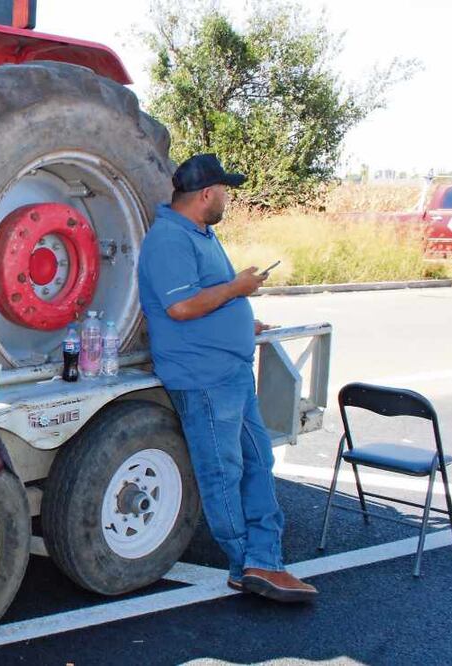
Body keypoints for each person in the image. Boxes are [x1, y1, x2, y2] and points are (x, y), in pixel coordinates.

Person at [137, 153, 318, 603]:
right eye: (224, 191)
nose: (227, 199)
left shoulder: (201, 233)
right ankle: (248, 565)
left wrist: (240, 321)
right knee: (223, 471)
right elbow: (181, 306)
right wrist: (237, 289)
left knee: (258, 461)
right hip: (203, 378)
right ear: (206, 194)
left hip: (230, 372)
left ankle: (265, 559)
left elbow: (205, 296)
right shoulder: (168, 239)